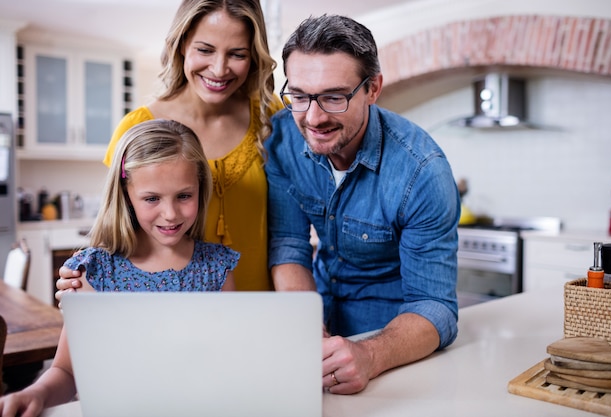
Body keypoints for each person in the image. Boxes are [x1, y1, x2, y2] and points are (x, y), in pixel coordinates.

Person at [265, 15, 460, 395]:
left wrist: (370, 355)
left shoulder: (422, 172)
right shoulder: (282, 139)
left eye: (335, 97)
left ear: (373, 88)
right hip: (317, 309)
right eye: (300, 96)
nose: (314, 118)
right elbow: (288, 244)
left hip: (393, 343)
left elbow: (435, 306)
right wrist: (305, 323)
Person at [0, 119, 239, 417]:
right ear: (126, 195)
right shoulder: (94, 272)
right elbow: (67, 370)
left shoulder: (216, 268)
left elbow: (227, 362)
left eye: (184, 196)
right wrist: (36, 393)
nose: (170, 214)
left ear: (200, 188)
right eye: (152, 198)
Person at [58, 0, 281, 293]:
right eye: (205, 49)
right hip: (180, 315)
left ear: (254, 56)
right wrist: (81, 280)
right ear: (181, 44)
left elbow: (290, 230)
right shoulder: (136, 127)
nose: (219, 68)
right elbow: (119, 225)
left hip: (265, 306)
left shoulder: (272, 117)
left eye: (237, 54)